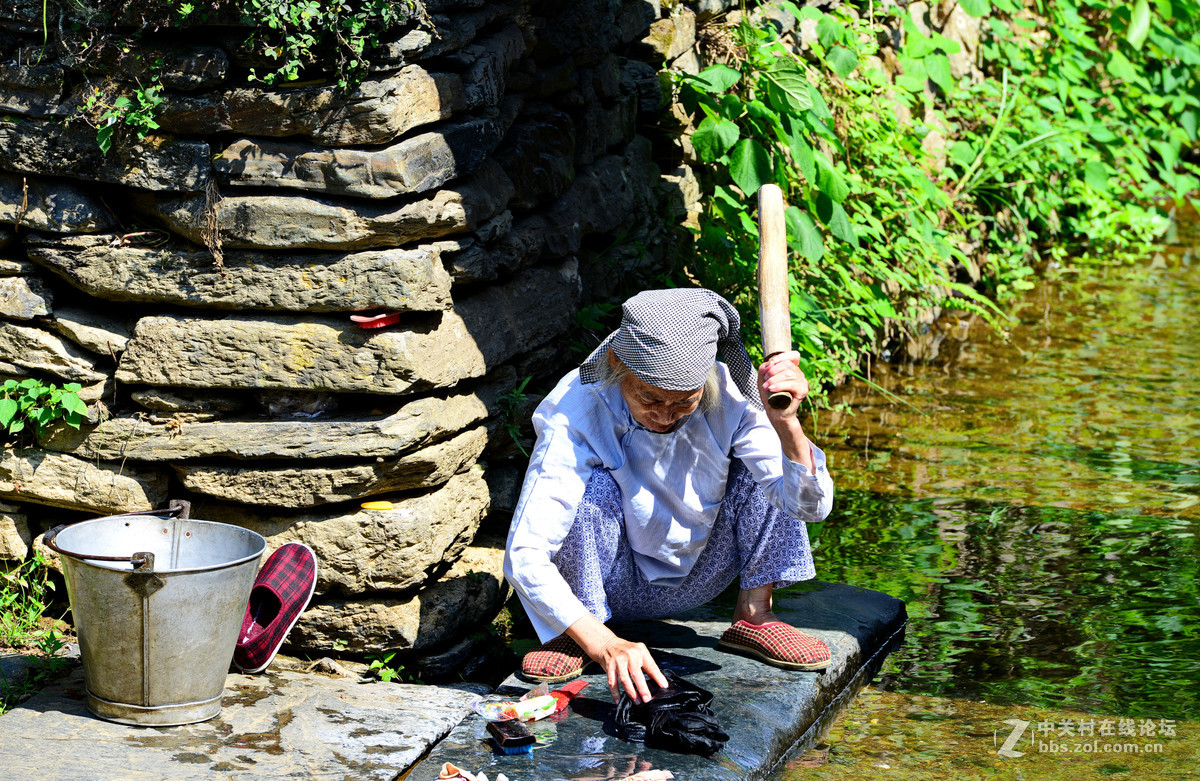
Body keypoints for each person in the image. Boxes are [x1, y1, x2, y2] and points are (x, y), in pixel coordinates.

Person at [502, 288, 834, 705]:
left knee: (769, 470)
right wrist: (603, 644)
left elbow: (810, 507)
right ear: (616, 363)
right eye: (649, 398)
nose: (664, 415)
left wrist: (786, 424)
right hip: (611, 584)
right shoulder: (576, 408)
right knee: (592, 491)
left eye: (683, 403)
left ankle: (754, 612)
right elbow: (524, 552)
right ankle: (576, 635)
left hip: (704, 574)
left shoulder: (732, 393)